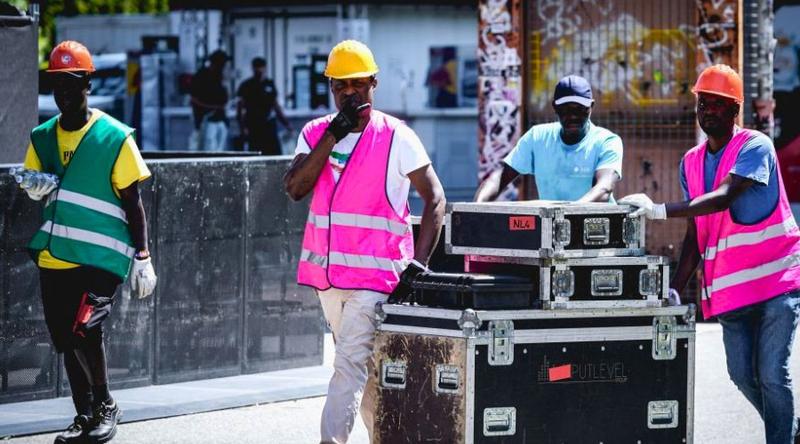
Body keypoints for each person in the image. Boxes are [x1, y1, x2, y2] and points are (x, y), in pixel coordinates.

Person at [619, 64, 800, 444]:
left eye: (718, 104)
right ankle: (790, 428)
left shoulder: (755, 146)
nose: (708, 111)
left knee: (771, 374)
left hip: (777, 284)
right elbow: (695, 234)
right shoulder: (690, 162)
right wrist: (674, 288)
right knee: (741, 375)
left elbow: (723, 198)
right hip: (732, 290)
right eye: (703, 103)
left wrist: (658, 209)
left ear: (735, 110)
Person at [283, 40, 445, 443]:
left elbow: (436, 200)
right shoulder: (315, 133)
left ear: (374, 84)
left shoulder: (397, 137)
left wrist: (418, 263)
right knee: (364, 369)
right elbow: (295, 188)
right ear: (332, 89)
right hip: (328, 280)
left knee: (349, 365)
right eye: (341, 86)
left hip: (376, 281)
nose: (350, 94)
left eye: (358, 84)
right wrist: (331, 139)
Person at [19, 40, 157, 443]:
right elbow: (34, 181)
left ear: (88, 85)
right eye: (57, 84)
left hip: (101, 258)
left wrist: (143, 256)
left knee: (85, 329)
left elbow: (134, 203)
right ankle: (85, 414)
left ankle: (106, 405)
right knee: (65, 339)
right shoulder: (42, 137)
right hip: (57, 257)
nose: (64, 93)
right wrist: (34, 186)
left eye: (72, 83)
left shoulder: (113, 137)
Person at [474, 74, 623, 202]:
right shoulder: (537, 137)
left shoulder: (607, 141)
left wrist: (570, 212)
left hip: (596, 229)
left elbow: (604, 187)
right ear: (555, 108)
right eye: (565, 110)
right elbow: (500, 176)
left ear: (591, 107)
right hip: (552, 228)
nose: (573, 116)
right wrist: (476, 206)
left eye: (580, 109)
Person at [236, 57, 293, 155]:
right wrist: (243, 128)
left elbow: (276, 107)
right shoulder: (246, 85)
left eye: (261, 67)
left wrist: (286, 124)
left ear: (265, 68)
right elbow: (240, 109)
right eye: (257, 67)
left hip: (268, 124)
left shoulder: (269, 84)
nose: (259, 70)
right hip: (253, 125)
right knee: (255, 154)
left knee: (274, 154)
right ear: (253, 68)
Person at [190, 49, 229, 151]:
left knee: (220, 150)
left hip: (221, 119)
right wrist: (213, 107)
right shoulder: (201, 76)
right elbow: (194, 100)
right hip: (206, 120)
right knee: (209, 149)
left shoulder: (219, 77)